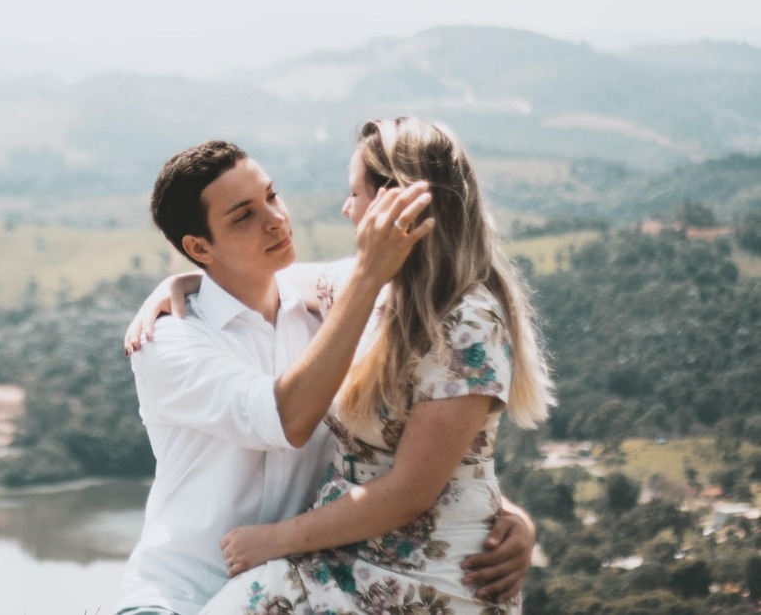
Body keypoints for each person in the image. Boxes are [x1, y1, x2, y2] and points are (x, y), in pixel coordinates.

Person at [115, 133, 538, 615]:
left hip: (298, 579)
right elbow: (286, 417)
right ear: (198, 245)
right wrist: (184, 280)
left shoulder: (337, 311)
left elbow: (421, 453)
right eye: (244, 215)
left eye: (272, 196)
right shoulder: (170, 341)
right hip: (185, 593)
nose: (276, 219)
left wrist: (506, 516)